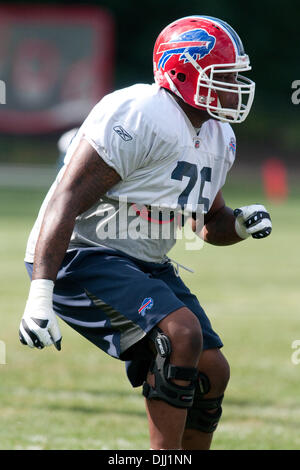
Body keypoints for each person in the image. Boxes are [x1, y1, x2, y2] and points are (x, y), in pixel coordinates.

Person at [19, 15, 272, 450]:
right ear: (181, 70)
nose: (234, 87)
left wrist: (239, 225)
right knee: (181, 335)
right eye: (223, 76)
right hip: (83, 254)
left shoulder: (218, 136)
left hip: (147, 262)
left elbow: (209, 225)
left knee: (214, 372)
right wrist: (40, 294)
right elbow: (65, 200)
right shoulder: (141, 112)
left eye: (235, 77)